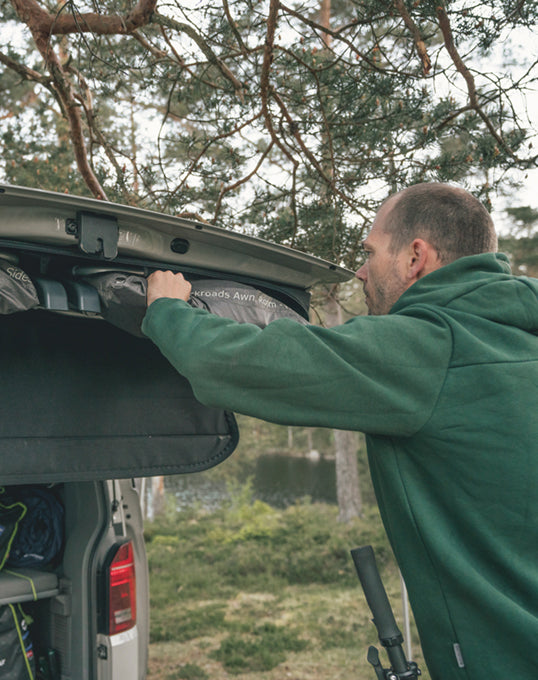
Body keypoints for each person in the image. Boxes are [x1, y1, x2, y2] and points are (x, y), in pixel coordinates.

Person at [141, 183, 538, 680]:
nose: (360, 271)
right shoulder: (520, 331)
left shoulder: (430, 346)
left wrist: (169, 310)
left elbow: (246, 363)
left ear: (416, 257)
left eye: (370, 253)